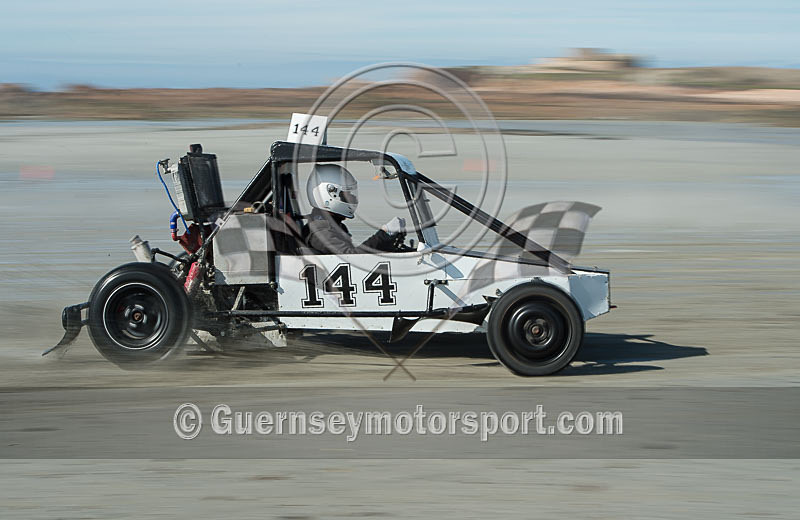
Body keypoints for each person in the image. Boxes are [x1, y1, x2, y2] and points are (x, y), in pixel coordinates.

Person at [304, 164, 406, 254]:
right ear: (330, 195)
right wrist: (384, 234)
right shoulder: (320, 231)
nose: (352, 198)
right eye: (346, 194)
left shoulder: (333, 226)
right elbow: (351, 258)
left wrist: (389, 243)